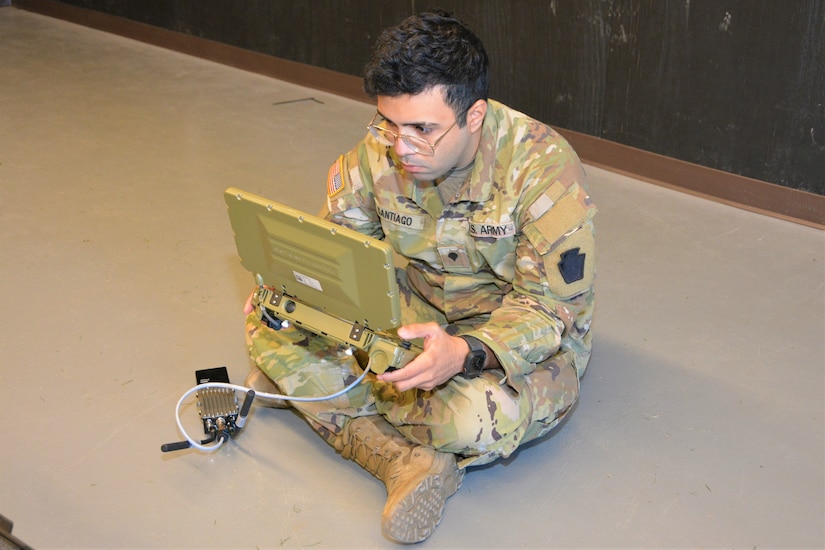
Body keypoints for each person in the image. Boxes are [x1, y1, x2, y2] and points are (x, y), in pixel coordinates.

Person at [242, 11, 596, 544]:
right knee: (269, 325)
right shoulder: (382, 147)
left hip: (506, 338)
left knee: (473, 419)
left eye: (423, 130)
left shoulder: (544, 171)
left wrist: (464, 352)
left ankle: (322, 396)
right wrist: (294, 294)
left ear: (473, 116)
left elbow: (550, 310)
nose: (402, 145)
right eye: (390, 123)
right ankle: (403, 459)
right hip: (421, 306)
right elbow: (340, 245)